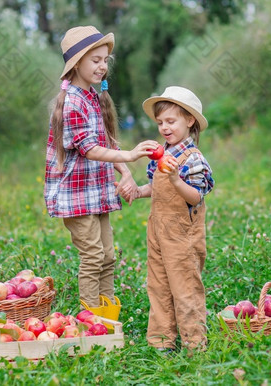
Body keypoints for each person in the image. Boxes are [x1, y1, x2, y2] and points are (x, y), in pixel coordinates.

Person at [44, 25, 158, 317]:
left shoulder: (92, 98)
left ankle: (107, 316)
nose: (102, 66)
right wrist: (131, 155)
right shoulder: (71, 102)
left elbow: (104, 141)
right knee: (93, 255)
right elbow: (89, 149)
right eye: (95, 60)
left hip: (96, 190)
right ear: (77, 62)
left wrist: (126, 172)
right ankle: (91, 319)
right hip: (76, 195)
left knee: (108, 256)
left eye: (105, 60)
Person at [125, 86, 214, 352]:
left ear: (189, 121)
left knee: (185, 287)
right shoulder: (162, 153)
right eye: (160, 122)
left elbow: (195, 197)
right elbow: (156, 185)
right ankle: (161, 341)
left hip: (182, 234)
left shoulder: (193, 159)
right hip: (158, 231)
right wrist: (139, 191)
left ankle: (194, 342)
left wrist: (176, 179)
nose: (164, 127)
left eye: (171, 121)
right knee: (159, 285)